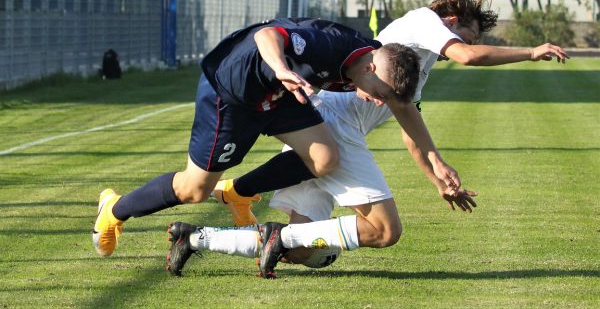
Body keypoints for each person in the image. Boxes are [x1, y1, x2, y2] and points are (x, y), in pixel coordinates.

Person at [164, 0, 570, 278]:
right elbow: (467, 56)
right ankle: (255, 209)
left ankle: (195, 239)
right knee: (384, 231)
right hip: (337, 126)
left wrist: (437, 172)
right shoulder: (425, 23)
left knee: (299, 247)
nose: (463, 43)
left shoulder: (418, 61)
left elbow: (409, 125)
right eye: (467, 33)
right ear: (451, 21)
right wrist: (531, 51)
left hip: (331, 121)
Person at [93, 17, 434, 257]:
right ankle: (114, 209)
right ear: (371, 69)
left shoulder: (366, 59)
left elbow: (404, 107)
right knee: (194, 190)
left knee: (325, 159)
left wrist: (435, 161)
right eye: (380, 94)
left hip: (278, 96)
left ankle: (240, 194)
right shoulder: (332, 47)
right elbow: (267, 36)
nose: (378, 102)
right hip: (231, 97)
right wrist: (282, 69)